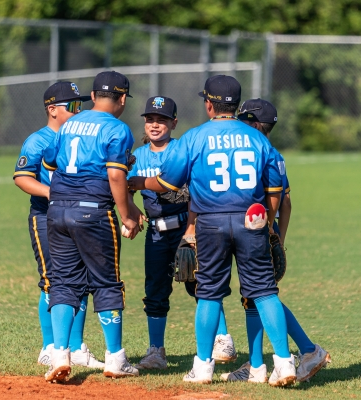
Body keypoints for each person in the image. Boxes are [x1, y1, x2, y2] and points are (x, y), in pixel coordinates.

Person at [128, 75, 296, 387]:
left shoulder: (196, 137)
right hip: (251, 220)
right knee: (264, 291)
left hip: (211, 222)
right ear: (236, 104)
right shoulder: (258, 139)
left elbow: (169, 183)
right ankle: (284, 364)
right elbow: (274, 190)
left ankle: (203, 367)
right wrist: (267, 224)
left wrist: (141, 183)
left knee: (208, 293)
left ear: (209, 104)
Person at [220, 98, 331, 383]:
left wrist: (267, 232)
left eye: (243, 120)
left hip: (252, 231)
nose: (237, 124)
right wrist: (278, 238)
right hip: (263, 231)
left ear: (254, 124)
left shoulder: (256, 151)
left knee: (260, 294)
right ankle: (259, 364)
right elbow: (287, 202)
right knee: (256, 296)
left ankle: (305, 351)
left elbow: (279, 201)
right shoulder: (272, 152)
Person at [42, 71, 141, 383]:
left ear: (93, 95)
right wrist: (127, 215)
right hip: (93, 213)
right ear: (122, 98)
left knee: (63, 282)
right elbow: (115, 176)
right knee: (106, 283)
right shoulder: (118, 128)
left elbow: (50, 163)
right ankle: (115, 358)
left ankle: (59, 353)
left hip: (57, 211)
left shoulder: (69, 122)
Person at [127, 96, 237, 370]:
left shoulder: (183, 149)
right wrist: (131, 210)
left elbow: (196, 193)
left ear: (174, 123)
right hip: (155, 233)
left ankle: (222, 339)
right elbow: (123, 186)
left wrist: (192, 229)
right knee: (155, 290)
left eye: (162, 120)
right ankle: (156, 351)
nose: (155, 125)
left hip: (185, 228)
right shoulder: (137, 157)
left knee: (201, 284)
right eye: (150, 119)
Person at [13, 81, 104, 370]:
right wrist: (53, 192)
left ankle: (75, 348)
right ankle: (50, 347)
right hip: (46, 217)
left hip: (80, 218)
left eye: (82, 105)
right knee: (53, 280)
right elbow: (22, 177)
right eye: (73, 106)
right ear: (52, 109)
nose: (79, 111)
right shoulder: (38, 140)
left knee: (84, 281)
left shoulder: (81, 136)